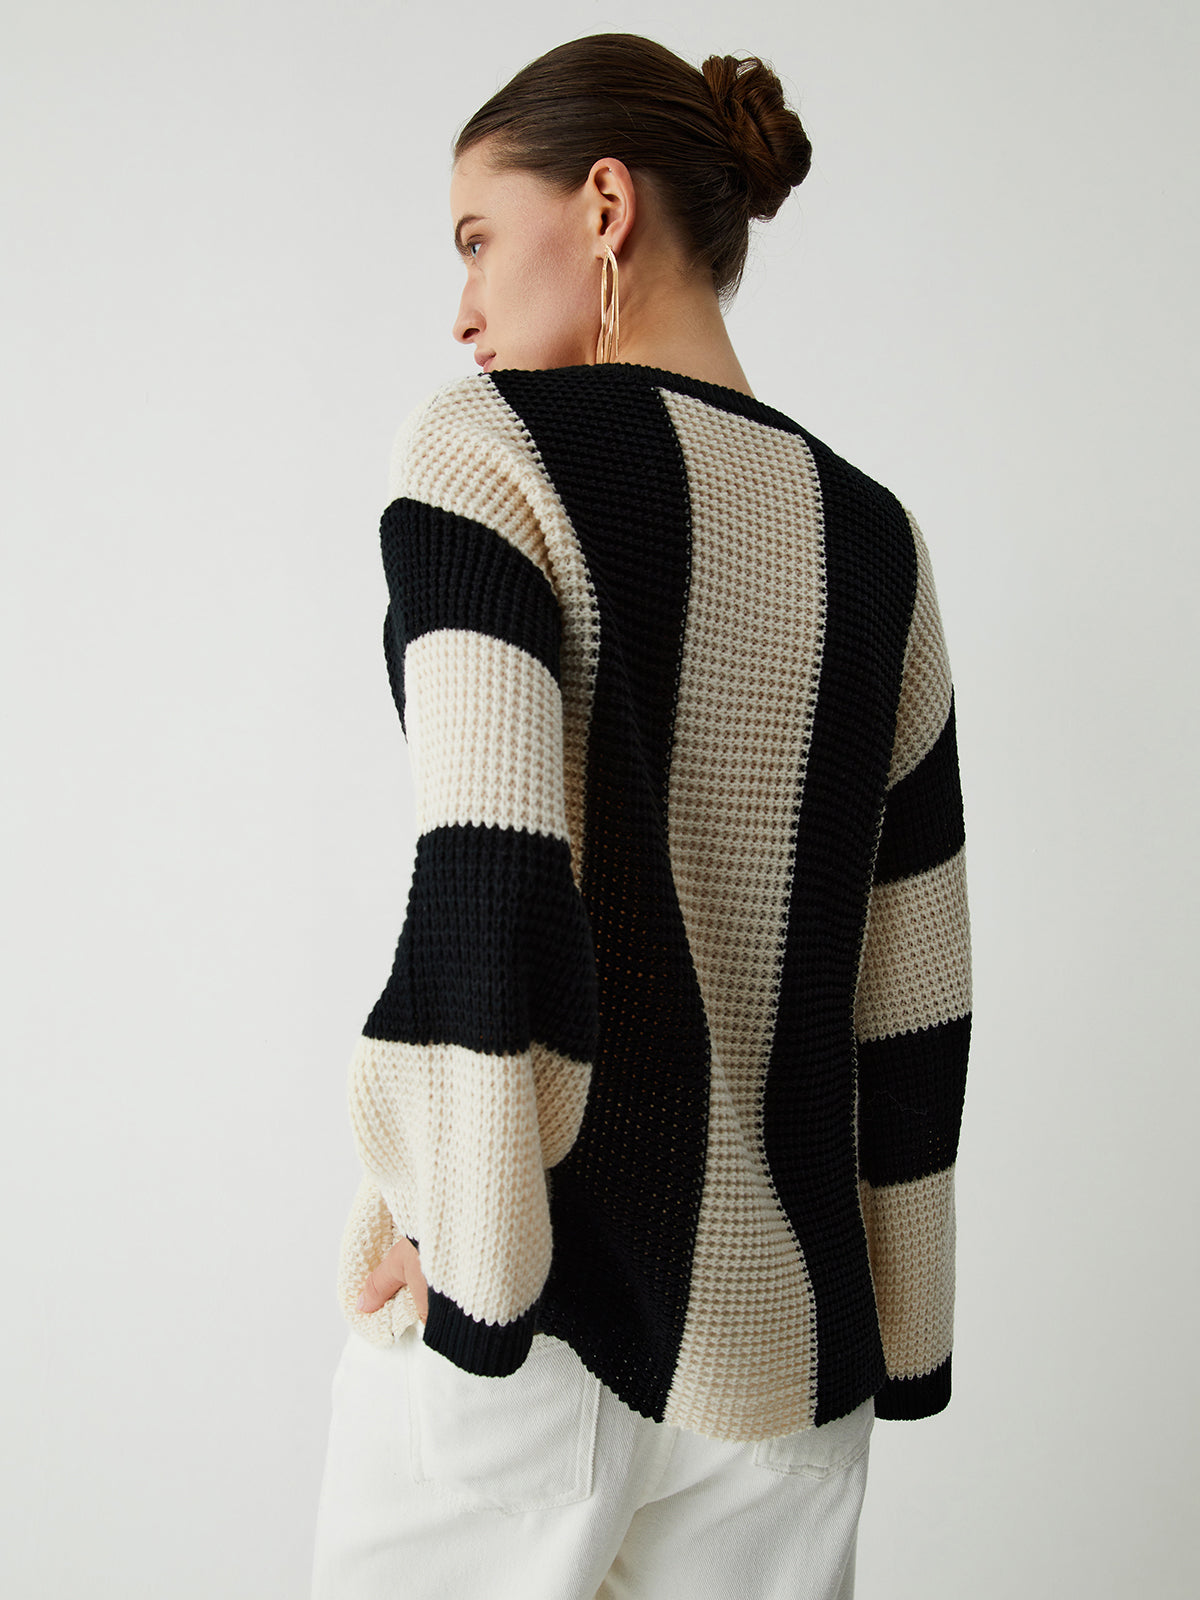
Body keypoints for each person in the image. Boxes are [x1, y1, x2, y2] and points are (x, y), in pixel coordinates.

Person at [310, 31, 971, 1600]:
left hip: (532, 1325)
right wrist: (906, 1321)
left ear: (604, 206)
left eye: (478, 239)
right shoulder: (878, 541)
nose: (462, 308)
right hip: (794, 1369)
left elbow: (489, 884)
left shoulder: (485, 449)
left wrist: (476, 1277)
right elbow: (914, 983)